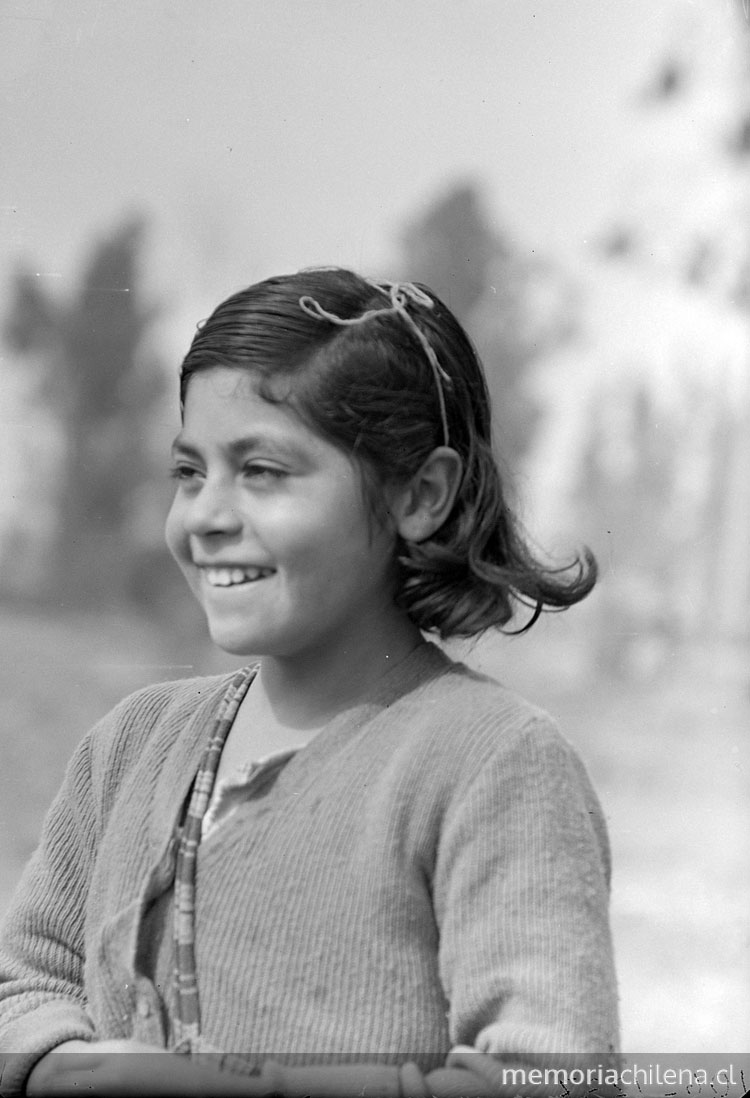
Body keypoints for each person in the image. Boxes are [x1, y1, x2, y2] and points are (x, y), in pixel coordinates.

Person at [0, 269, 619, 1096]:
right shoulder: (131, 746)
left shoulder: (493, 765)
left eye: (262, 471)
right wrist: (82, 1069)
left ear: (420, 494)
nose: (206, 517)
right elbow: (24, 986)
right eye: (190, 472)